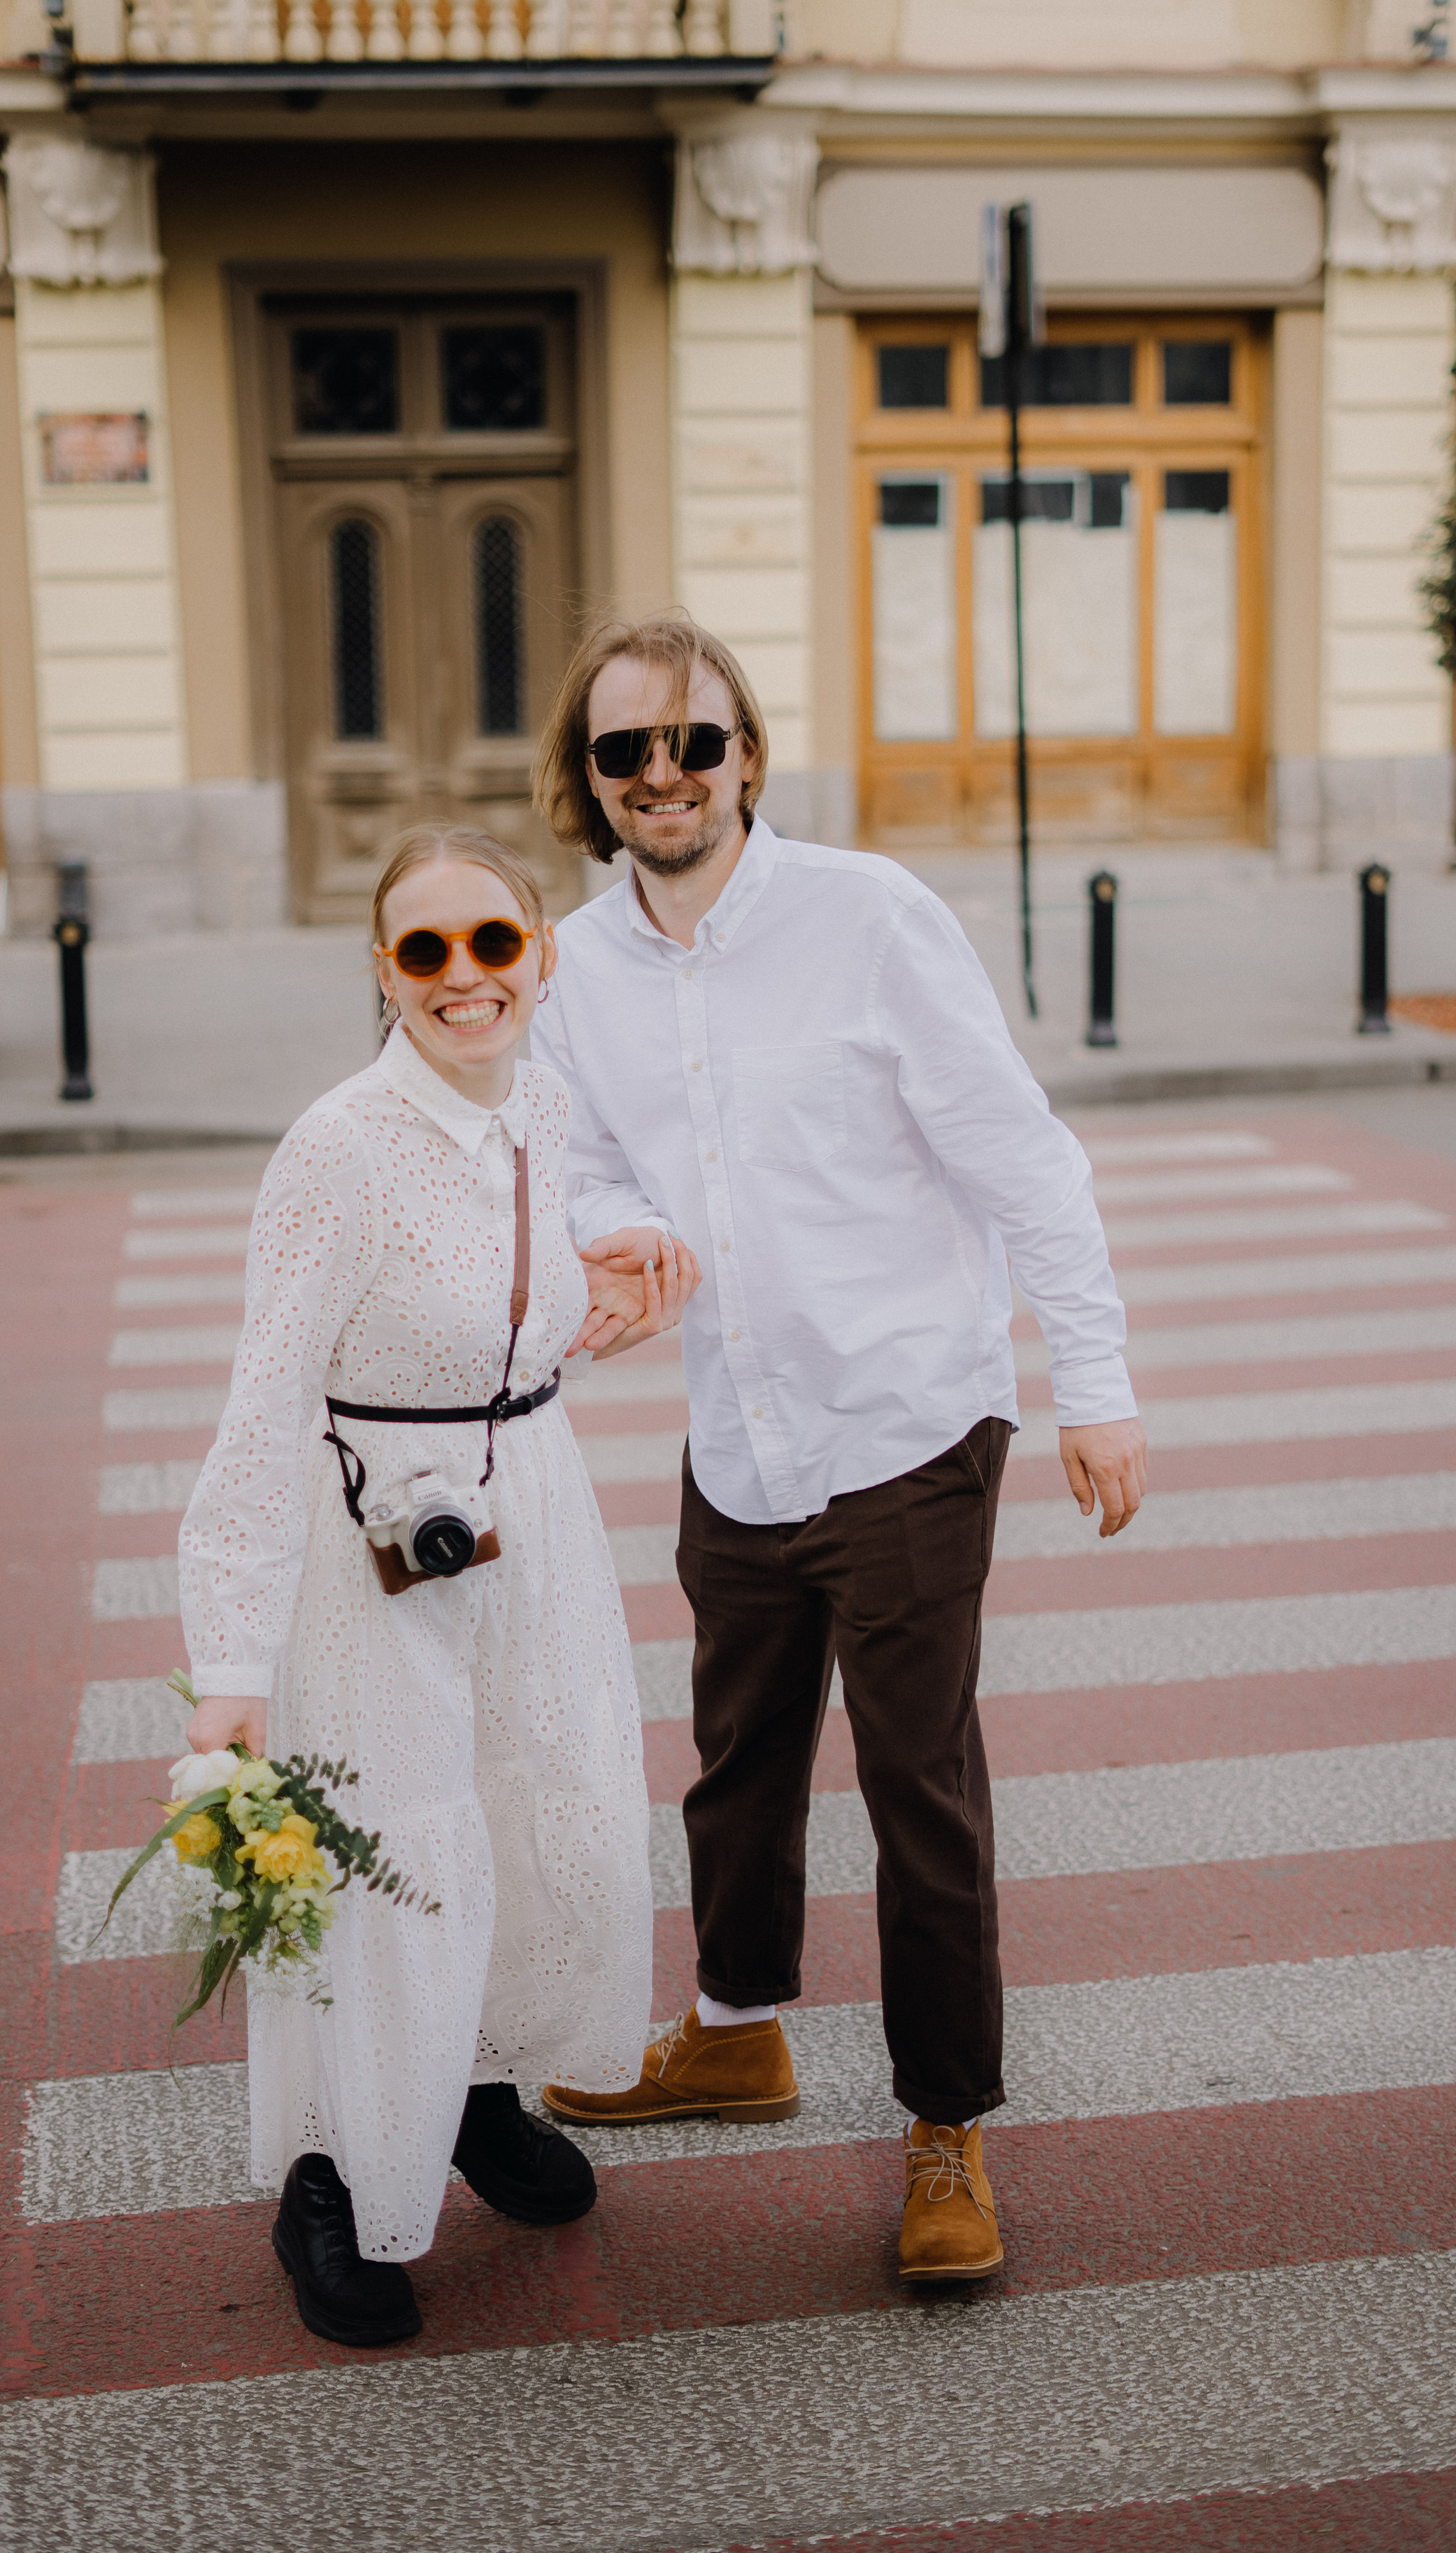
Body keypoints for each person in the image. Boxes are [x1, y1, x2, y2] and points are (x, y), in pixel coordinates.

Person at [527, 612, 1146, 2284]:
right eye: (624, 750)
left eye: (694, 743)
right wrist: (619, 1231)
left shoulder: (868, 917)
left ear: (745, 757)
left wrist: (1094, 1383)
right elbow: (575, 1154)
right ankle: (735, 2030)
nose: (663, 775)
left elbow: (1022, 1162)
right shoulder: (574, 963)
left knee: (914, 1787)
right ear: (585, 780)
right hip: (740, 1429)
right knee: (734, 1757)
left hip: (907, 1418)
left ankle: (944, 2129)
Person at [177, 824, 697, 2346]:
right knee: (386, 1855)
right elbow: (265, 1403)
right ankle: (335, 2177)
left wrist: (616, 1293)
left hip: (526, 1510)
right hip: (372, 1546)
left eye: (491, 944)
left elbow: (532, 1300)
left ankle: (469, 2094)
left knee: (541, 1813)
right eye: (425, 951)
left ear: (537, 954)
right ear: (384, 977)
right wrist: (231, 1667)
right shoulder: (337, 1147)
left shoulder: (544, 1107)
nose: (464, 979)